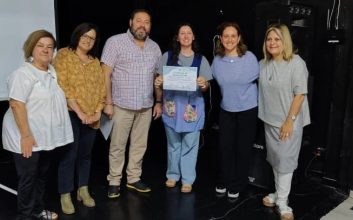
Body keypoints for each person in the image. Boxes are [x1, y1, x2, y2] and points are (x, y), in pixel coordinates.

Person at [2, 30, 73, 220]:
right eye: (40, 45)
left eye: (50, 47)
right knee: (28, 179)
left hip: (44, 137)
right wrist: (25, 136)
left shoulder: (51, 72)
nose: (45, 50)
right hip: (25, 136)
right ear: (31, 48)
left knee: (41, 176)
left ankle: (38, 211)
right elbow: (17, 104)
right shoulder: (23, 74)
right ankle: (25, 216)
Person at [101, 9, 162, 199]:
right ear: (131, 22)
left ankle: (133, 178)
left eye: (147, 22)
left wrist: (158, 100)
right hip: (120, 105)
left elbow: (157, 78)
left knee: (139, 145)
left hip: (145, 107)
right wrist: (107, 102)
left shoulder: (154, 47)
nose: (142, 25)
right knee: (117, 146)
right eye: (139, 21)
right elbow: (105, 74)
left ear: (150, 26)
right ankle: (114, 181)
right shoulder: (115, 42)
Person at [258, 24, 310, 220]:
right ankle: (279, 194)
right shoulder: (263, 64)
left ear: (285, 41)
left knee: (286, 162)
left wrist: (290, 121)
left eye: (277, 39)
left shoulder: (296, 63)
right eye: (269, 39)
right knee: (275, 159)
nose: (272, 43)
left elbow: (300, 95)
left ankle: (282, 201)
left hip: (289, 122)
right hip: (269, 120)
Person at [53, 23, 106, 214]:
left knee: (85, 155)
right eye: (85, 36)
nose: (88, 40)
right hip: (71, 114)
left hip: (92, 116)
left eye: (92, 38)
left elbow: (102, 89)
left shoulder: (95, 61)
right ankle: (65, 194)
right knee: (69, 155)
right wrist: (80, 112)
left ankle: (83, 189)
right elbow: (62, 85)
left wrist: (98, 111)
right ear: (77, 36)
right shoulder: (64, 55)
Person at [154, 23, 213, 193]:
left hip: (191, 109)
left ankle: (187, 179)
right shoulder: (167, 56)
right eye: (182, 33)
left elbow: (206, 87)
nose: (186, 36)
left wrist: (203, 84)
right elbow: (159, 81)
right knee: (173, 145)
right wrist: (158, 82)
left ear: (193, 37)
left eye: (189, 33)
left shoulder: (201, 60)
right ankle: (172, 175)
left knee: (189, 145)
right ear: (177, 37)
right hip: (172, 109)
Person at [211, 22, 259, 198]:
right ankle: (223, 181)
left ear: (239, 38)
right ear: (221, 39)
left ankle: (237, 185)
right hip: (226, 110)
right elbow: (216, 81)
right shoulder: (217, 60)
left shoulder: (250, 58)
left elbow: (256, 81)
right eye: (226, 36)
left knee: (242, 148)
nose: (229, 39)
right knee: (225, 147)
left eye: (233, 36)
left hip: (247, 110)